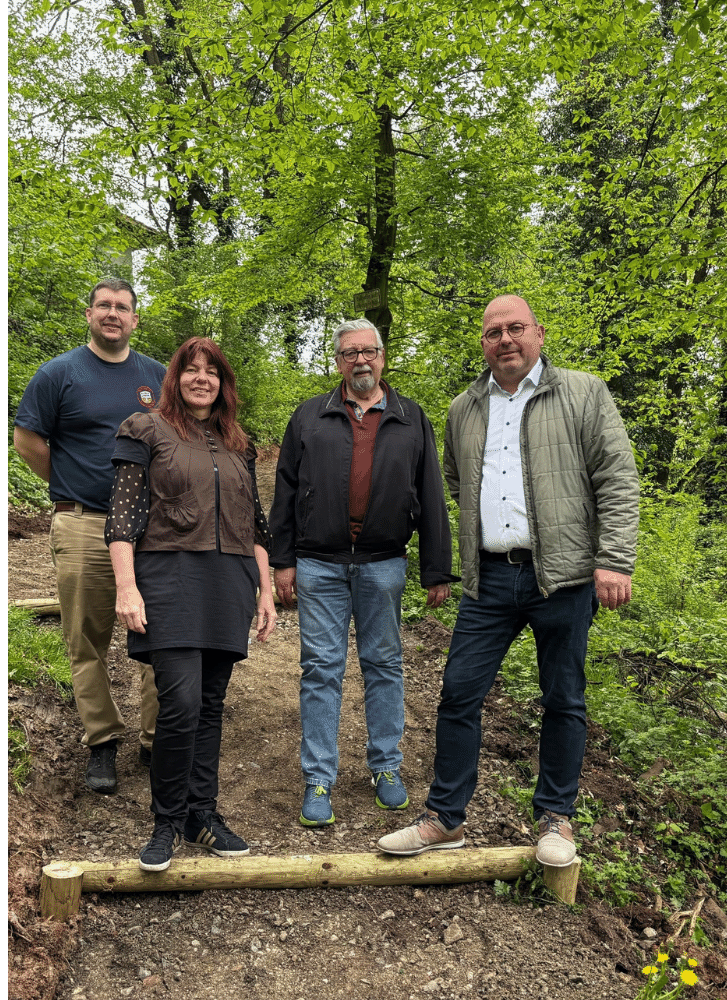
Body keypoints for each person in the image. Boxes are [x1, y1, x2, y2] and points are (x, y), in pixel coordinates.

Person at [377, 294, 640, 869]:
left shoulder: (583, 392)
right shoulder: (465, 408)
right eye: (494, 332)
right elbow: (455, 478)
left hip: (564, 577)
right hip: (489, 578)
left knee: (563, 698)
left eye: (515, 328)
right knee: (458, 693)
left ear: (538, 334)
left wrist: (615, 559)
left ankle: (556, 818)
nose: (505, 339)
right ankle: (445, 819)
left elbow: (617, 477)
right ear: (483, 344)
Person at [268, 319, 454, 828]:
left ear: (383, 356)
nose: (361, 361)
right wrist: (282, 561)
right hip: (318, 563)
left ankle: (386, 767)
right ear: (338, 362)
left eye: (369, 351)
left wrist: (436, 567)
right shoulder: (310, 416)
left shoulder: (410, 417)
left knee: (384, 665)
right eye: (350, 353)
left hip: (383, 563)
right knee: (320, 669)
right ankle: (318, 778)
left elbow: (431, 492)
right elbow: (285, 491)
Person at [106, 336, 278, 871]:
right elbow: (122, 518)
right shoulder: (145, 429)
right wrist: (126, 586)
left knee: (209, 704)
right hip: (169, 579)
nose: (202, 378)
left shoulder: (239, 444)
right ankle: (166, 821)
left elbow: (256, 525)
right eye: (191, 369)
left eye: (212, 371)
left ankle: (201, 813)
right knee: (179, 703)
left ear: (224, 383)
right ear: (175, 378)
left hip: (229, 582)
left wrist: (266, 590)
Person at [12, 277, 166, 794]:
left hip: (151, 527)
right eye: (104, 305)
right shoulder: (59, 374)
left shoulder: (157, 377)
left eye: (122, 307)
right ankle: (101, 739)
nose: (112, 314)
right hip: (84, 523)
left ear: (135, 319)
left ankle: (156, 740)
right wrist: (69, 480)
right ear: (89, 314)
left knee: (160, 635)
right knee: (86, 639)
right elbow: (27, 439)